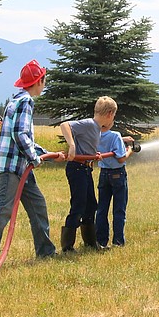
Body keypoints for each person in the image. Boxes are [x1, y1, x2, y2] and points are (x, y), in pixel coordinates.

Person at [0, 60, 65, 267]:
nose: (44, 84)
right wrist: (35, 157)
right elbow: (19, 134)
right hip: (13, 168)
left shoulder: (17, 100)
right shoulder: (26, 102)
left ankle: (46, 252)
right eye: (44, 80)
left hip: (22, 168)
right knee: (2, 210)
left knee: (37, 206)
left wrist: (47, 154)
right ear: (38, 82)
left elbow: (24, 138)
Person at [59, 96, 116, 251]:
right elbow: (65, 125)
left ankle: (91, 243)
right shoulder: (90, 124)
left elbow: (85, 142)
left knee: (91, 205)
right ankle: (67, 247)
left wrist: (92, 153)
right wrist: (71, 145)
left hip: (85, 168)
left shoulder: (96, 127)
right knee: (78, 205)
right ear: (110, 114)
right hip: (76, 168)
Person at [95, 122, 134, 248]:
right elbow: (121, 158)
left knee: (101, 209)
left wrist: (122, 139)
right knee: (119, 209)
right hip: (118, 174)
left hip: (103, 174)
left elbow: (105, 139)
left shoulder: (95, 134)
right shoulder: (115, 135)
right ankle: (118, 242)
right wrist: (129, 151)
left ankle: (100, 241)